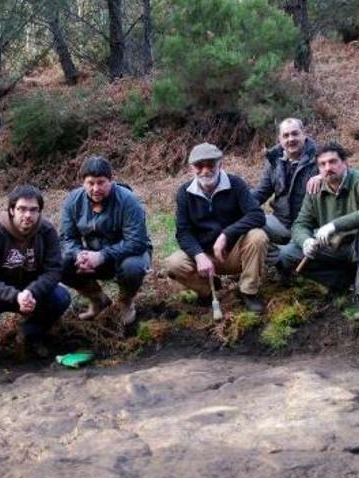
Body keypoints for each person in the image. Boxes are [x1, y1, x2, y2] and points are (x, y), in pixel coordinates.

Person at [279, 141, 359, 322]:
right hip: (333, 249)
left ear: (345, 163)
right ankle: (341, 281)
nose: (327, 168)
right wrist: (306, 240)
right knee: (286, 255)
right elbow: (300, 224)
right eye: (322, 164)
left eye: (332, 162)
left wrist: (334, 225)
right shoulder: (314, 190)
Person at [0, 185, 71, 369]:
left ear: (39, 212)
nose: (27, 215)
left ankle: (31, 334)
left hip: (32, 292)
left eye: (33, 210)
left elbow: (54, 270)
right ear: (12, 210)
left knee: (61, 297)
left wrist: (31, 291)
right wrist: (15, 296)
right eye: (22, 209)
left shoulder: (47, 231)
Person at [165, 142, 269, 313]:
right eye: (199, 165)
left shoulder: (236, 184)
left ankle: (248, 291)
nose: (205, 170)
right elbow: (183, 232)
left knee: (258, 237)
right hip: (205, 257)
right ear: (192, 168)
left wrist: (226, 235)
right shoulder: (184, 193)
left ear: (221, 164)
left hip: (234, 252)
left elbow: (257, 215)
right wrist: (198, 256)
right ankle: (207, 290)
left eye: (211, 164)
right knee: (173, 263)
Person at [59, 156, 152, 325]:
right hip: (92, 255)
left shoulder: (128, 200)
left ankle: (126, 302)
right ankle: (98, 299)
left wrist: (101, 256)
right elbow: (68, 238)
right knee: (59, 263)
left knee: (133, 268)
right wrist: (79, 254)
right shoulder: (73, 201)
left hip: (127, 255)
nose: (96, 188)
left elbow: (137, 242)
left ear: (111, 180)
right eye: (90, 183)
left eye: (101, 182)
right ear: (83, 183)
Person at [251, 117, 319, 246]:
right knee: (247, 223)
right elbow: (261, 192)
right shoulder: (274, 160)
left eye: (295, 134)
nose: (291, 139)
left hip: (310, 226)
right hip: (280, 223)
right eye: (286, 135)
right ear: (280, 139)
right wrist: (240, 204)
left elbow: (340, 176)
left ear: (303, 134)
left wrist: (324, 177)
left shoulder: (320, 156)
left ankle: (290, 255)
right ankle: (276, 258)